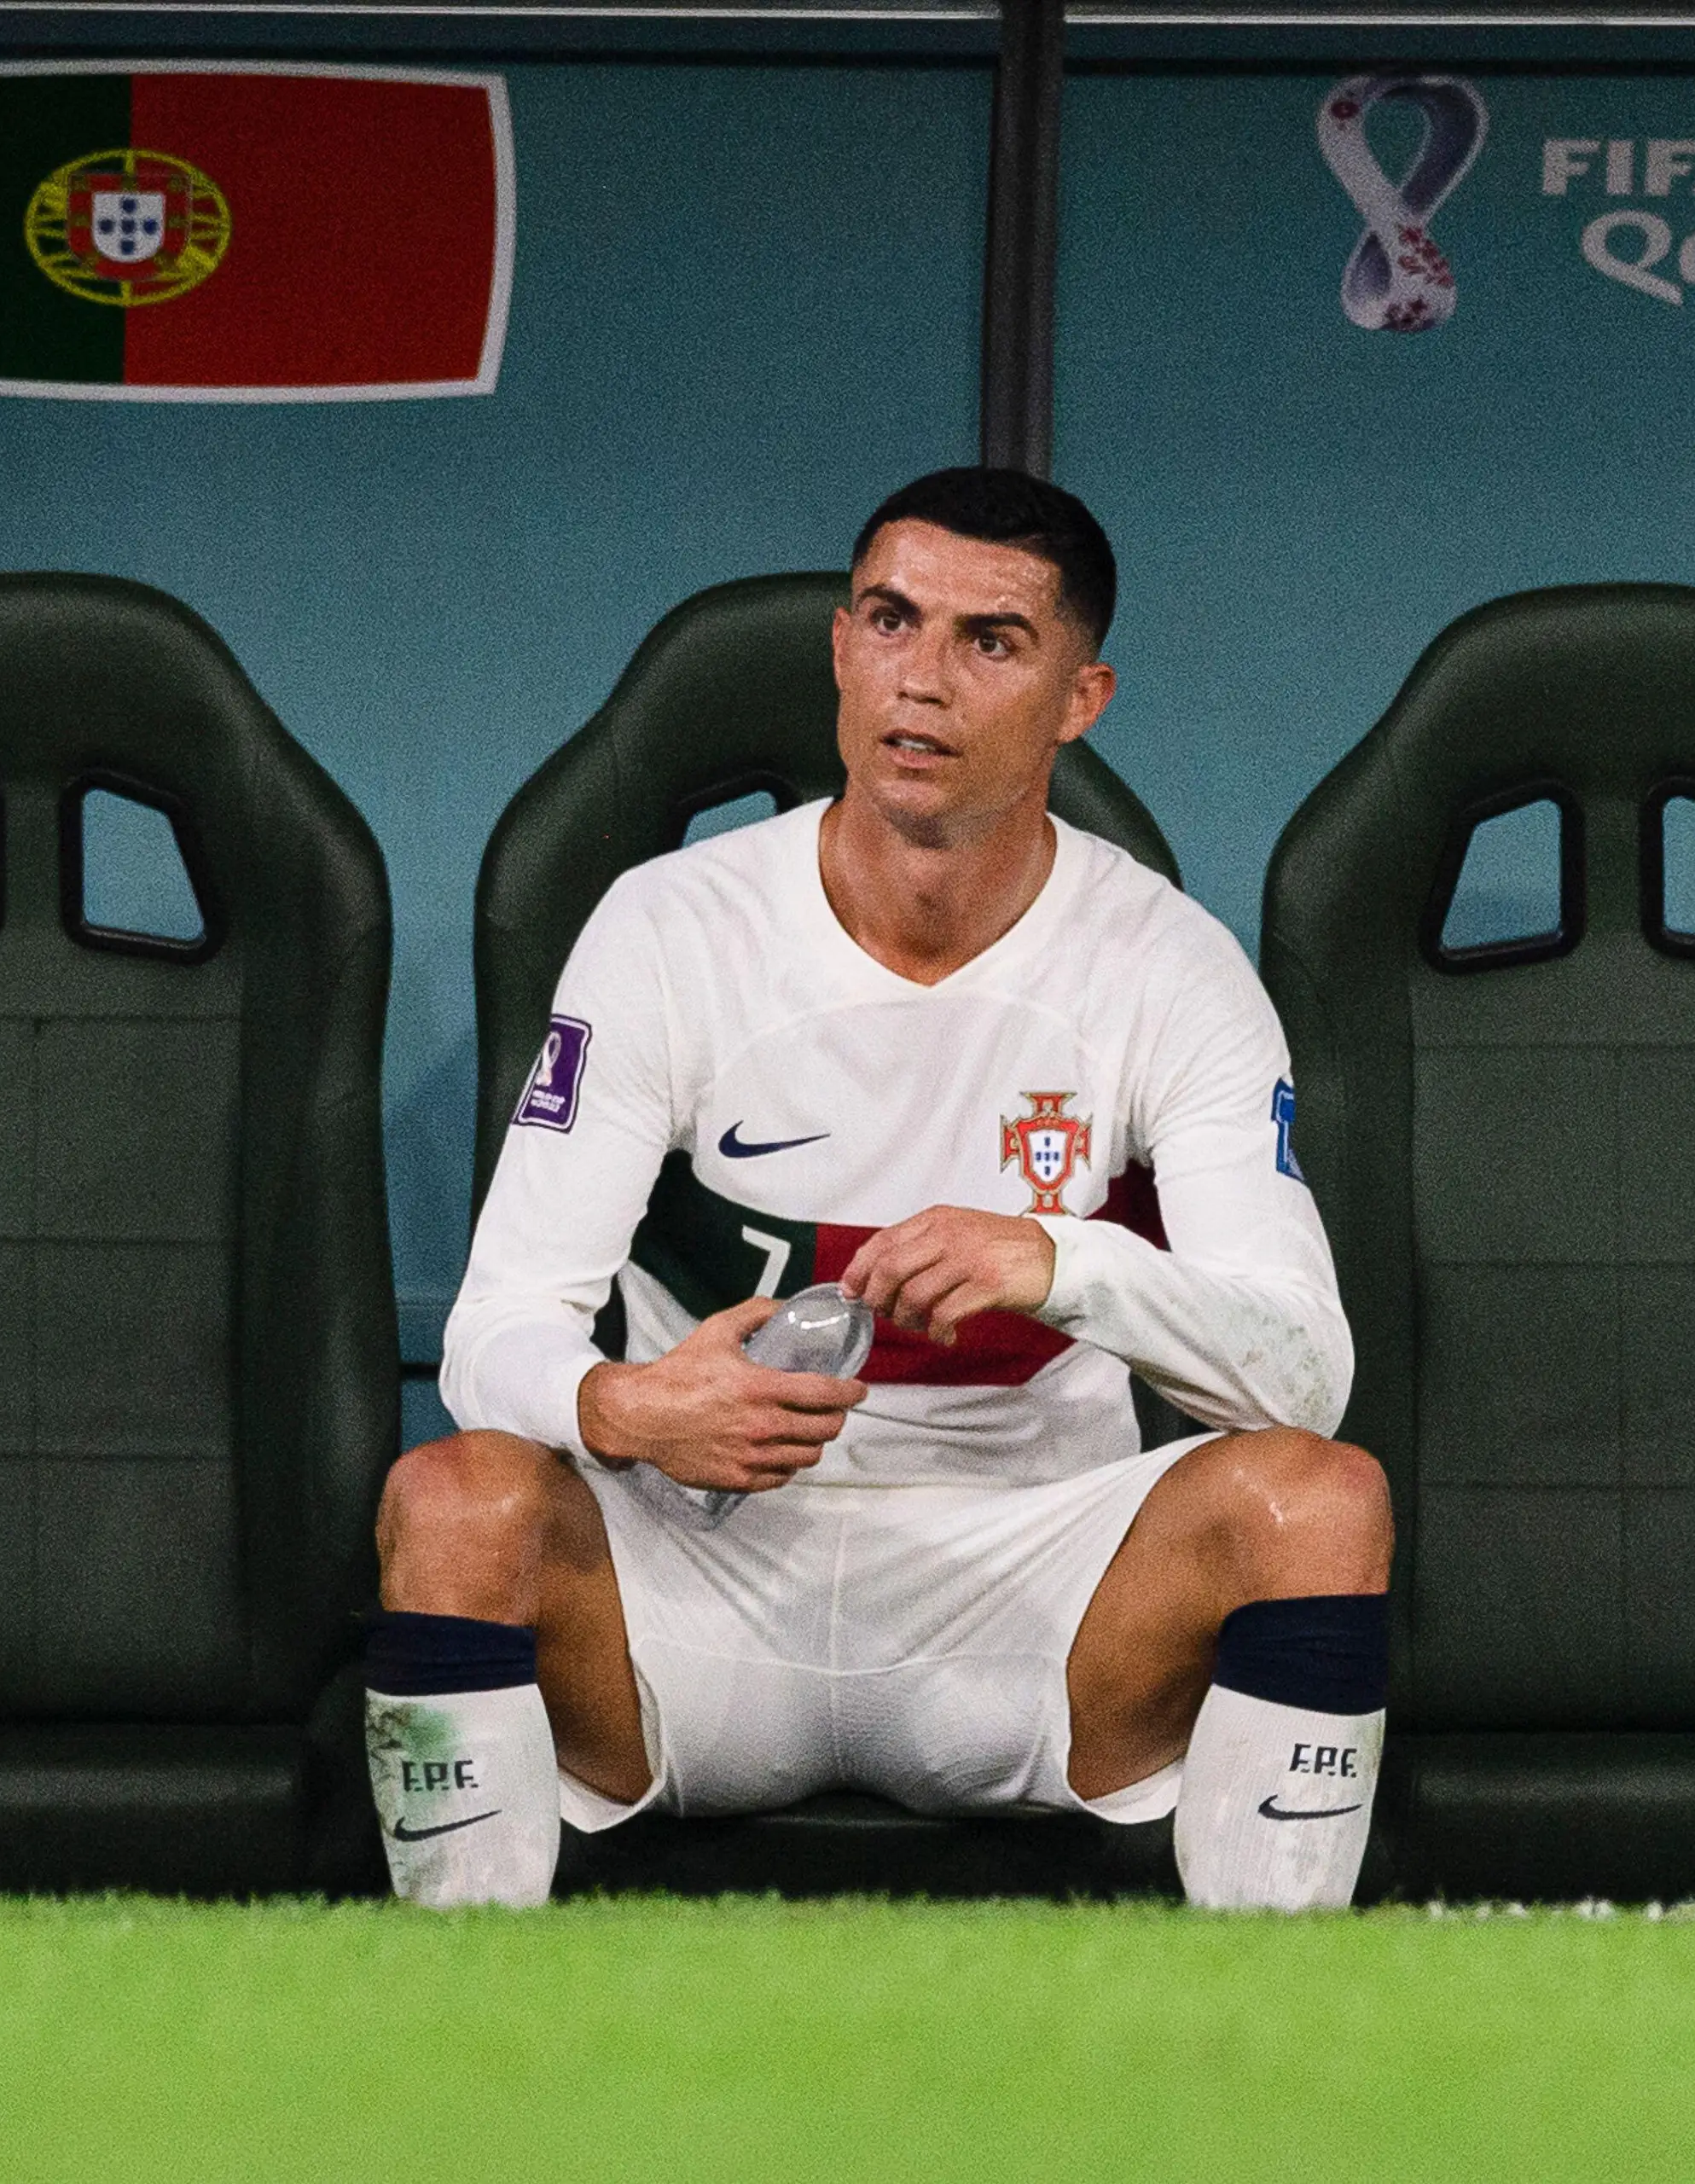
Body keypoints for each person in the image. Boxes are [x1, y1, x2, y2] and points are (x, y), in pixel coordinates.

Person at [367, 468, 1390, 1910]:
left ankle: (1280, 2070)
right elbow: (495, 1331)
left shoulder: (1172, 966)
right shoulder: (669, 926)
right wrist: (626, 1407)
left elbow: (1306, 1379)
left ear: (1078, 698)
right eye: (893, 621)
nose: (924, 681)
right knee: (452, 1498)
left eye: (992, 641)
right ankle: (439, 2061)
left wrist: (1063, 1262)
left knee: (1318, 1502)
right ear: (841, 647)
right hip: (696, 1583)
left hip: (1028, 1602)